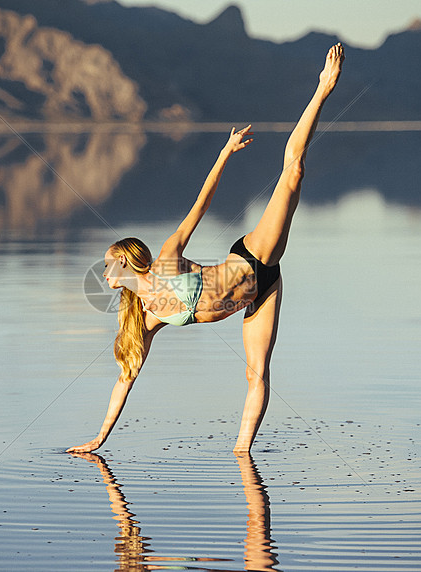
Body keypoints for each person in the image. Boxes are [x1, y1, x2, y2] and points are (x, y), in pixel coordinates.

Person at [68, 43, 344, 454]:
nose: (104, 273)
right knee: (257, 375)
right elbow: (123, 382)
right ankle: (242, 454)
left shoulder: (165, 260)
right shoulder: (144, 319)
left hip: (253, 259)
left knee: (294, 171)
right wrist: (99, 438)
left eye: (107, 265)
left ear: (124, 260)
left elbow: (201, 202)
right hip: (261, 294)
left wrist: (224, 153)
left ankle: (322, 89)